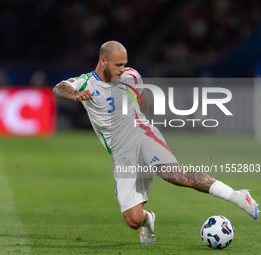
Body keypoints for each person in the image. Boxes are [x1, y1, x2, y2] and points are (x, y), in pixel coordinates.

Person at [53, 41, 259, 245]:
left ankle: (238, 197)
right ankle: (149, 220)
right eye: (118, 65)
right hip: (122, 155)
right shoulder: (86, 82)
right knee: (133, 220)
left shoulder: (130, 76)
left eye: (125, 64)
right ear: (103, 61)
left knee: (174, 175)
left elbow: (141, 94)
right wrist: (74, 95)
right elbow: (60, 88)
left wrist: (144, 122)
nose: (123, 69)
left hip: (142, 137)